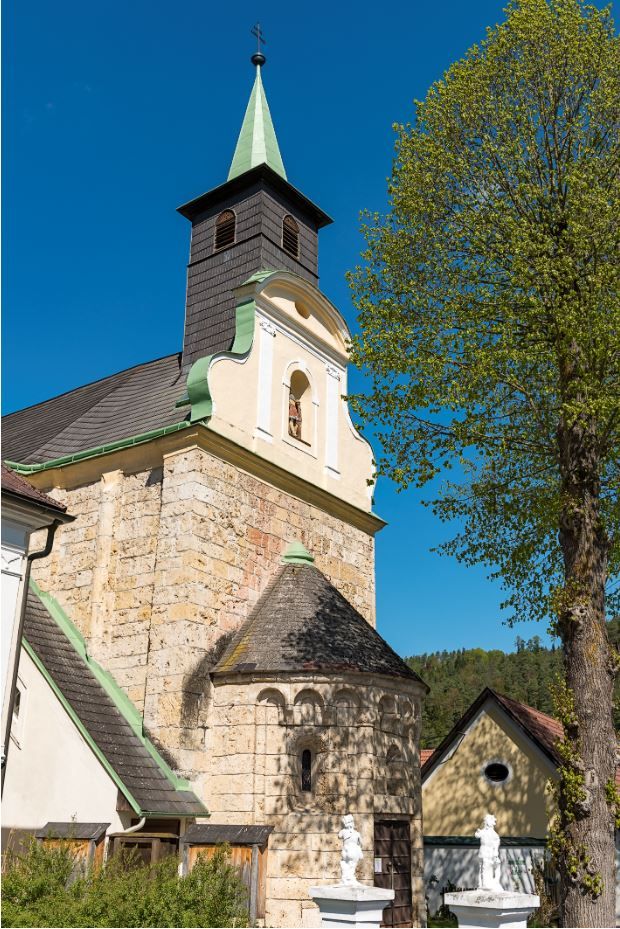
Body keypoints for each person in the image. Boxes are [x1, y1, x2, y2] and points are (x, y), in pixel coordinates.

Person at [475, 813, 503, 892]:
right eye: (491, 820)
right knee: (484, 868)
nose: (494, 821)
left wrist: (495, 853)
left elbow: (496, 844)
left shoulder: (494, 834)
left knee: (489, 867)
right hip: (484, 852)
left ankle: (489, 883)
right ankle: (483, 884)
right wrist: (478, 832)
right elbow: (477, 835)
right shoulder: (484, 831)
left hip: (490, 853)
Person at [338, 814, 363, 885]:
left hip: (345, 850)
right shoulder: (357, 833)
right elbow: (361, 843)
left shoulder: (343, 831)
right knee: (352, 865)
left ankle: (345, 879)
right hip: (353, 850)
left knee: (344, 863)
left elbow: (339, 836)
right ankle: (350, 878)